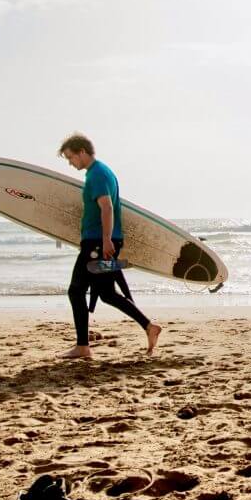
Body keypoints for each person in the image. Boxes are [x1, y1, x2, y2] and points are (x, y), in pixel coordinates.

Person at [56, 134, 162, 360]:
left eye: (70, 157)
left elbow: (107, 208)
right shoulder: (100, 173)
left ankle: (83, 347)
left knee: (76, 291)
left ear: (82, 151)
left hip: (97, 244)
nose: (70, 162)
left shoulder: (98, 174)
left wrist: (105, 240)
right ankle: (149, 326)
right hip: (98, 242)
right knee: (106, 293)